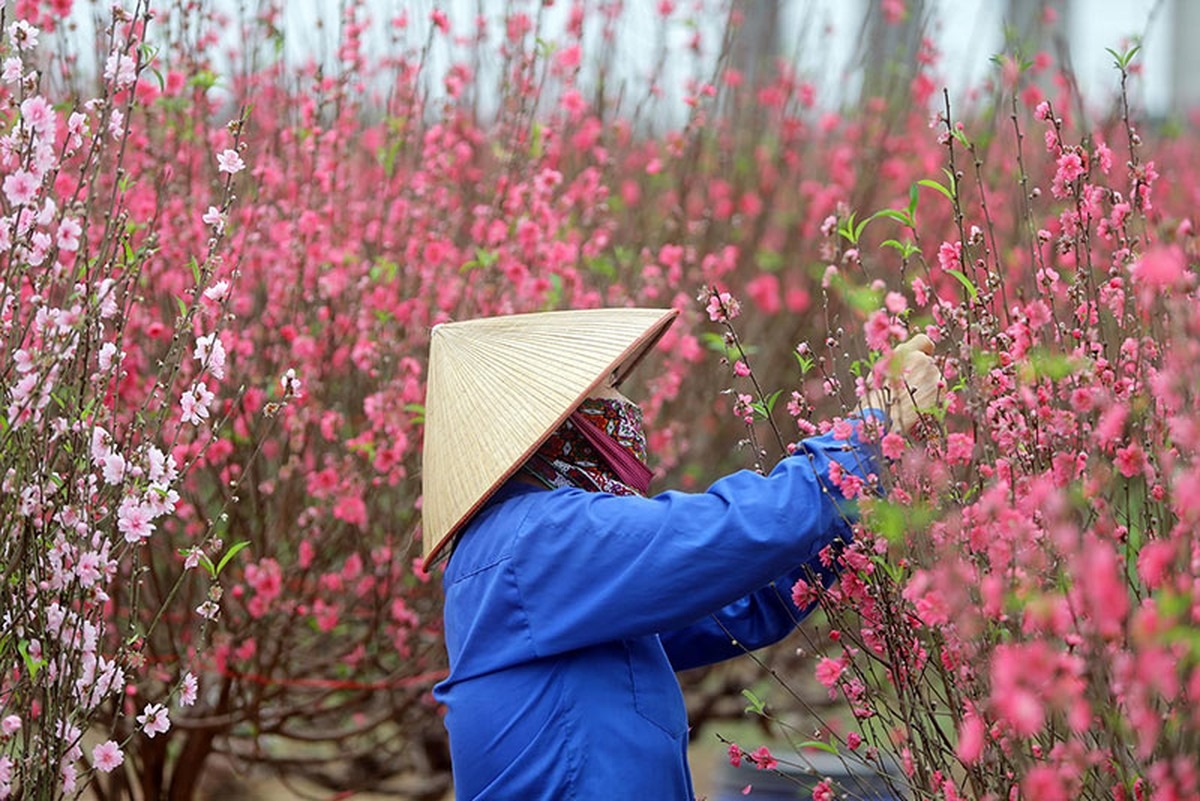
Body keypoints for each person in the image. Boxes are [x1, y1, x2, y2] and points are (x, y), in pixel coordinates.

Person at [421, 307, 941, 800]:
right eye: (609, 387)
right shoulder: (536, 541)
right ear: (558, 422)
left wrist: (849, 499)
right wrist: (866, 432)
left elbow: (740, 607)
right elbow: (723, 533)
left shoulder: (527, 555)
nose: (625, 408)